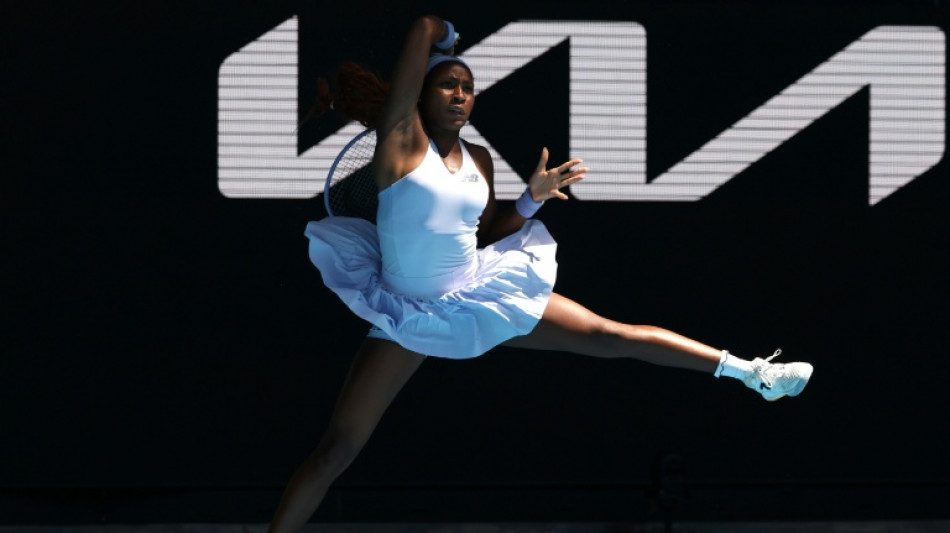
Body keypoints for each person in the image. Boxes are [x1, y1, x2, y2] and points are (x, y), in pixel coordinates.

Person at [269, 15, 813, 532]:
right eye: (447, 85)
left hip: (473, 291)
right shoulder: (400, 141)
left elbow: (489, 232)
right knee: (335, 452)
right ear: (418, 98)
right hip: (405, 314)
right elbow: (423, 25)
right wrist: (446, 36)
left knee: (608, 335)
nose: (461, 94)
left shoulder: (478, 160)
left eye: (468, 87)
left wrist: (530, 200)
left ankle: (751, 372)